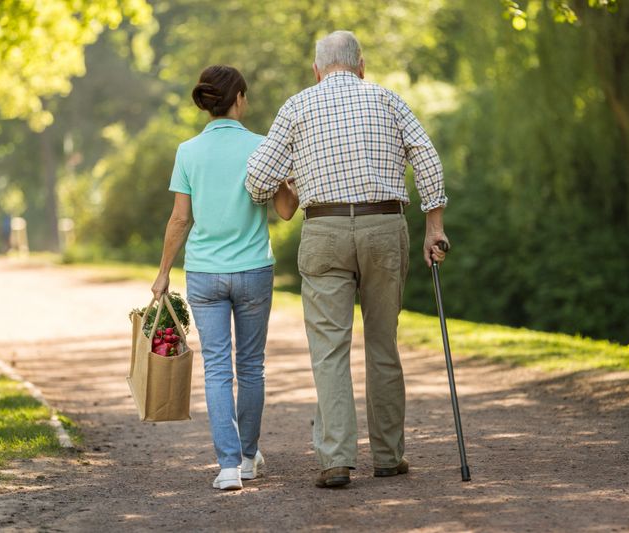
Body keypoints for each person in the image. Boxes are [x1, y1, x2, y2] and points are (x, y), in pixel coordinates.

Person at [246, 31, 449, 488]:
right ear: (361, 65)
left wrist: (293, 182)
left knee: (329, 350)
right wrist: (434, 225)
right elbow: (427, 157)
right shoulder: (388, 99)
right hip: (384, 228)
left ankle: (336, 459)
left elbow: (258, 179)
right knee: (383, 343)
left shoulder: (297, 105)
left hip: (324, 230)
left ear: (317, 70)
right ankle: (387, 455)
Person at [151, 65, 298, 491]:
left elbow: (180, 220)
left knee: (217, 370)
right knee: (251, 367)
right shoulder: (263, 147)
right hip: (254, 270)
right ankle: (250, 458)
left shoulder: (188, 151)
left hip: (204, 274)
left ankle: (229, 467)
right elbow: (286, 210)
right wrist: (286, 175)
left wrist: (162, 273)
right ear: (238, 99)